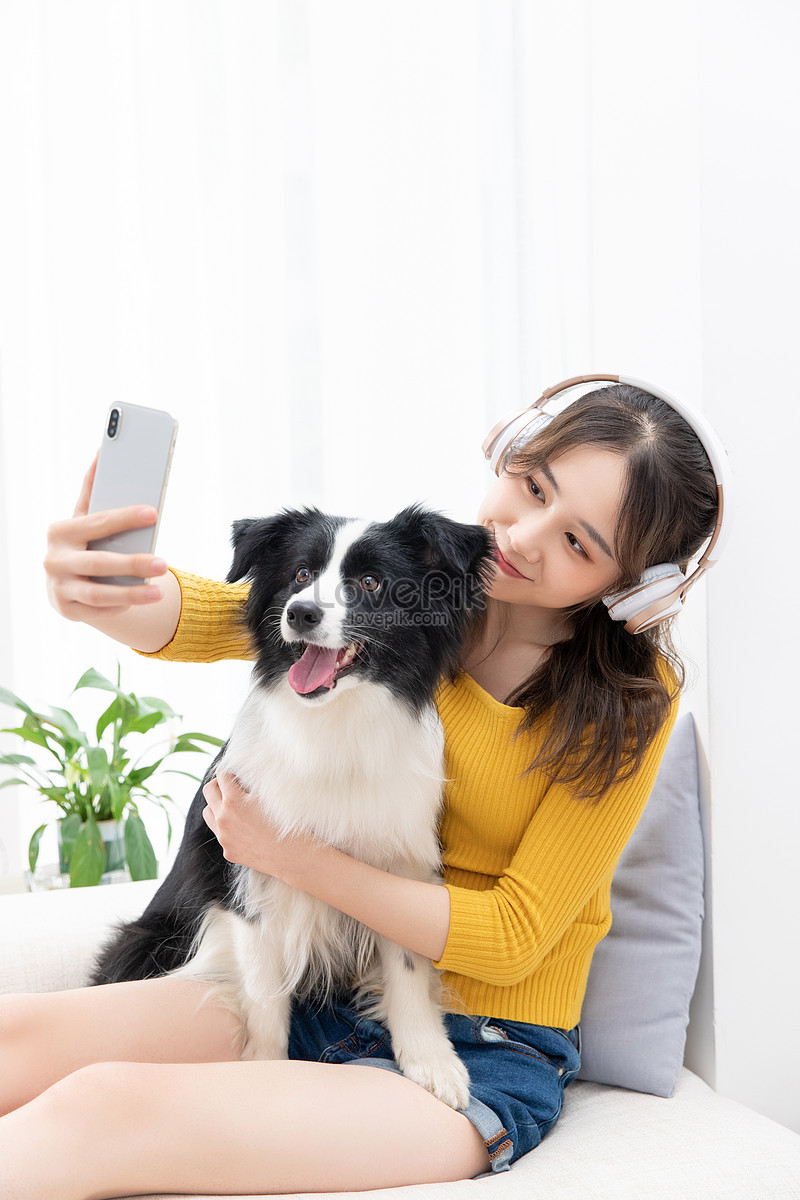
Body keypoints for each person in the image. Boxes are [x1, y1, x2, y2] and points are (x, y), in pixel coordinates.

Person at [0, 381, 722, 1199]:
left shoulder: (631, 698)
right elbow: (223, 613)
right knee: (16, 1034)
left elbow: (518, 932)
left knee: (105, 1108)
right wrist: (109, 593)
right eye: (531, 486)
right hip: (317, 987)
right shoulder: (421, 585)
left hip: (486, 1046)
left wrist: (289, 857)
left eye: (578, 544)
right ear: (508, 451)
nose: (520, 537)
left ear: (634, 587)